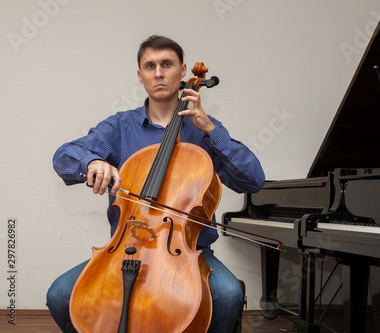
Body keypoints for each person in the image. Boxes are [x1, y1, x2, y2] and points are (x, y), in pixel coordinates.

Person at [46, 35, 265, 333]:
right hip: (125, 250)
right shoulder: (120, 126)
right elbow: (63, 157)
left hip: (188, 254)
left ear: (183, 70)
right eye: (150, 66)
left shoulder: (204, 128)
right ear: (140, 75)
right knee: (59, 295)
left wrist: (212, 130)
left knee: (227, 296)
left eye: (166, 64)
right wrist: (91, 163)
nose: (158, 73)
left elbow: (253, 180)